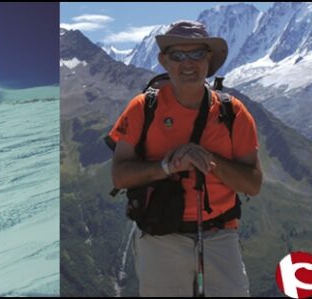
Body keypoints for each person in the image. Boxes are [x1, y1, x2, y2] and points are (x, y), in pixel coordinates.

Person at [108, 20, 261, 297]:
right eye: (177, 55)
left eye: (196, 54)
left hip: (220, 234)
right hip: (160, 237)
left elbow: (253, 184)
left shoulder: (233, 113)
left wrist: (207, 158)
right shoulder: (143, 108)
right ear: (164, 61)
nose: (187, 63)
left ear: (209, 59)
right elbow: (119, 176)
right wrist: (168, 166)